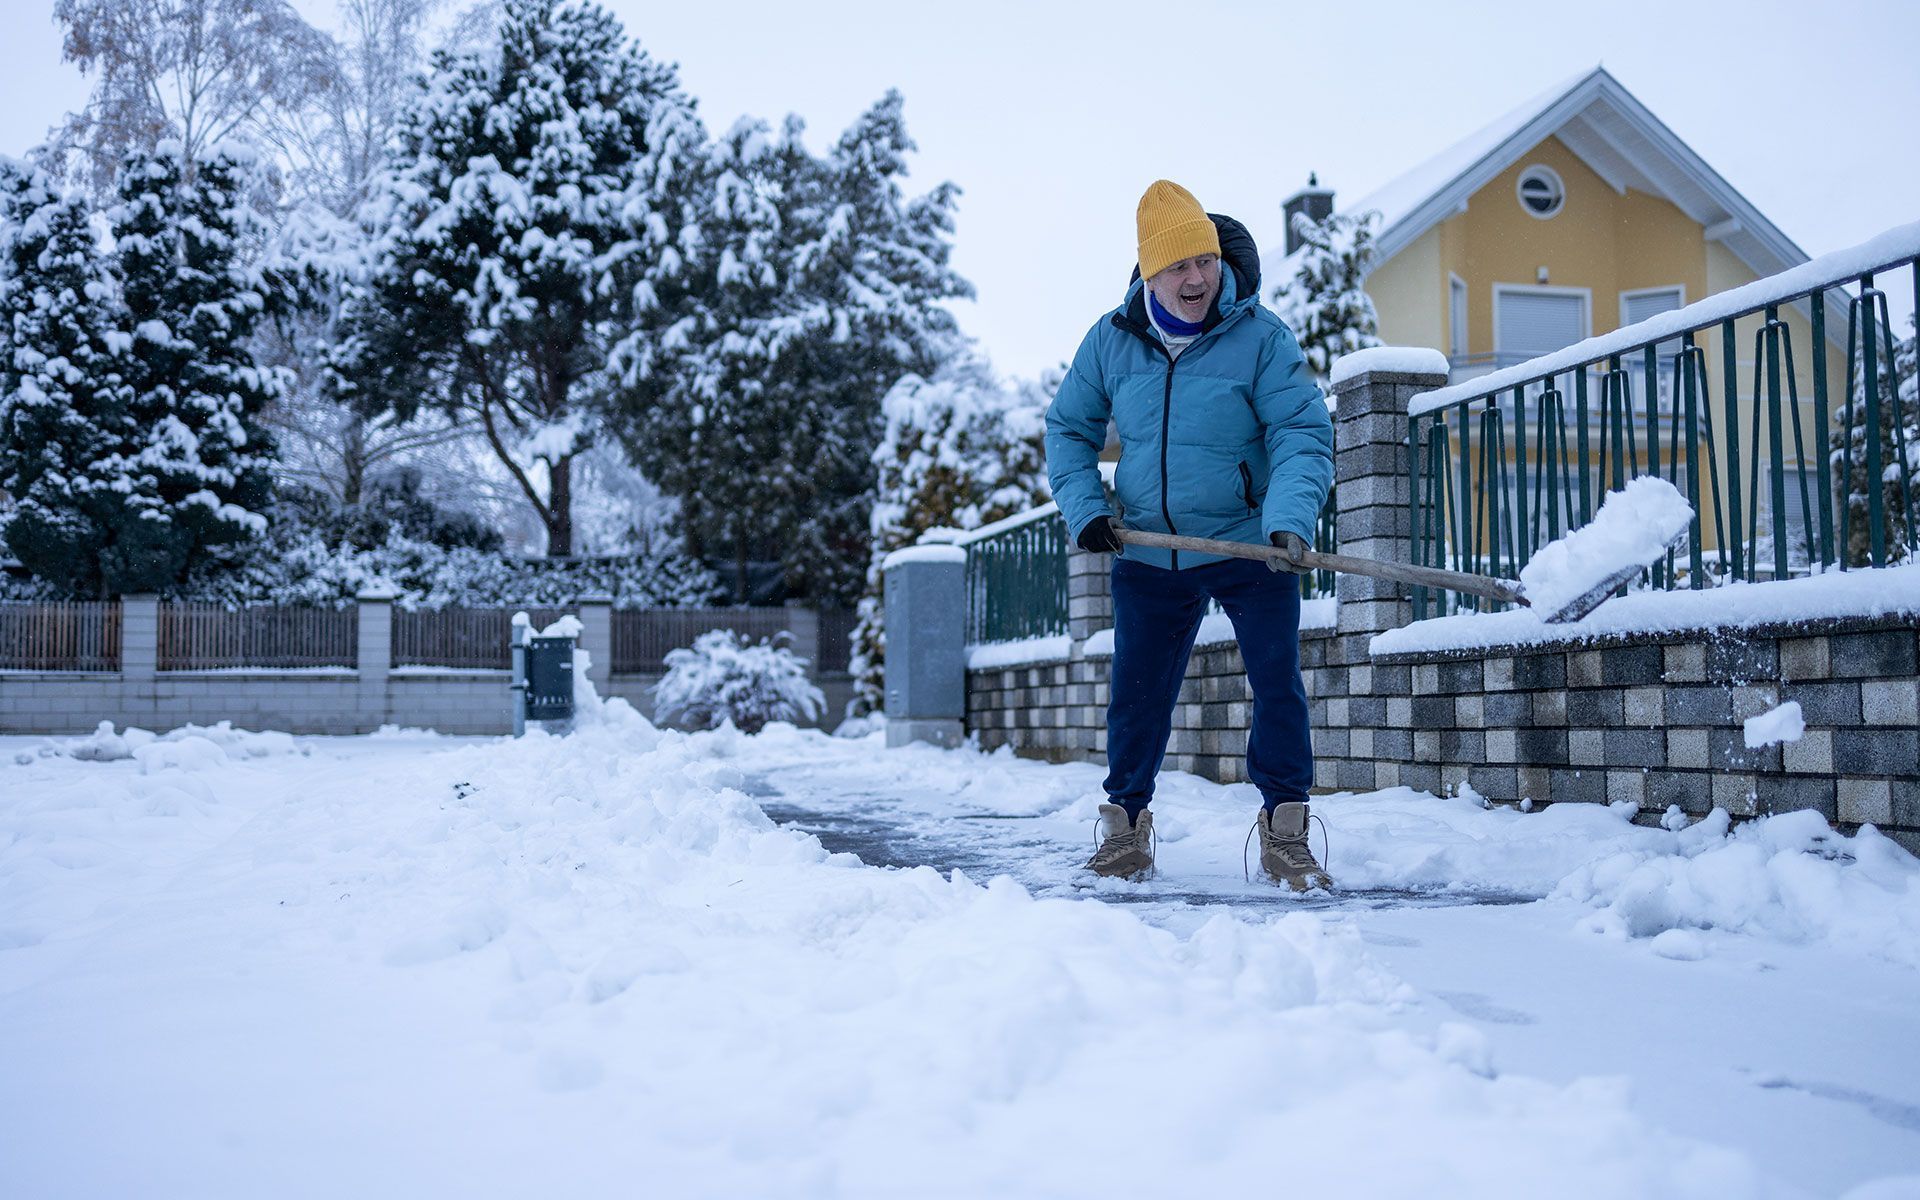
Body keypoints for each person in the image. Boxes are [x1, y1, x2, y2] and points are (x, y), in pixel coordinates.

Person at [1045, 180, 1334, 890]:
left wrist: (1290, 519)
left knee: (1276, 685)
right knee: (1137, 695)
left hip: (1251, 542)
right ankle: (1125, 832)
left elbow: (1301, 432)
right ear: (1151, 272)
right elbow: (1068, 429)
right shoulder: (1111, 342)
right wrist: (1086, 509)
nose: (1197, 278)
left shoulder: (1261, 337)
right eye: (1179, 266)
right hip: (1146, 547)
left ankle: (1286, 833)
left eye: (1204, 260)